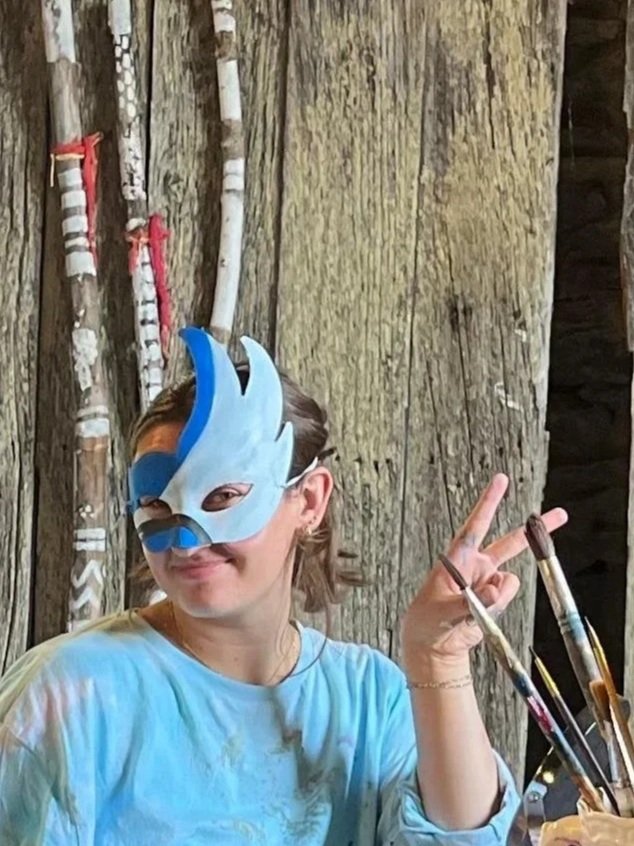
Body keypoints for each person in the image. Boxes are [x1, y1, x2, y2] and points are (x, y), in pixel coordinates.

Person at [0, 327, 567, 845]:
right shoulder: (68, 695)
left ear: (311, 499)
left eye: (222, 498)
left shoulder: (373, 701)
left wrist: (437, 660)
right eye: (154, 504)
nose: (187, 540)